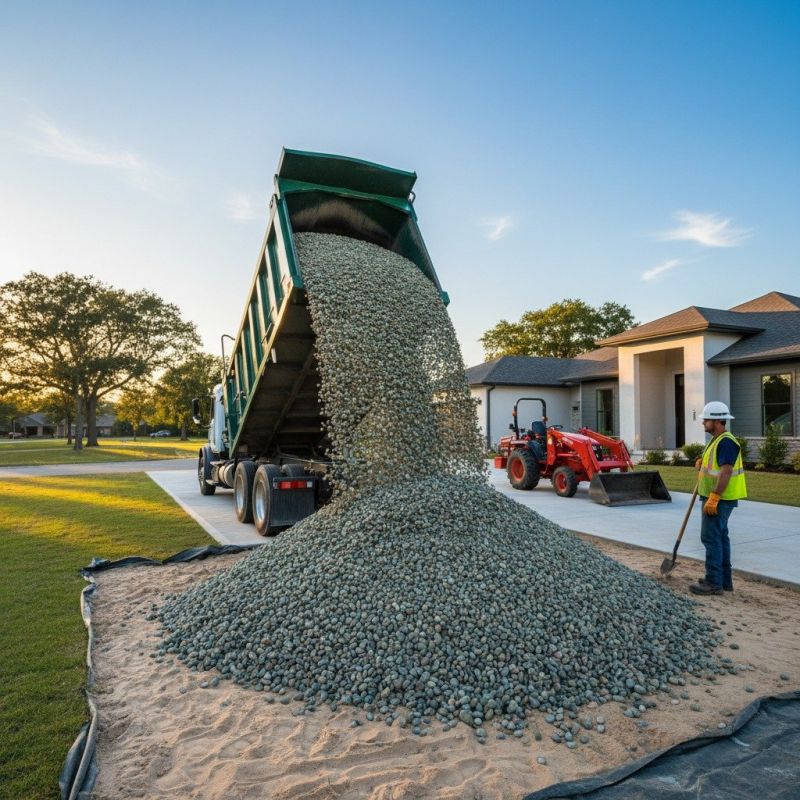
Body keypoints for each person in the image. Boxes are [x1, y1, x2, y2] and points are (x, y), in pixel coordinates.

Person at [689, 401, 747, 596]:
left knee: (710, 537)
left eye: (706, 420)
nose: (703, 423)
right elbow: (715, 465)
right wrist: (702, 462)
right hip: (716, 497)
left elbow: (727, 470)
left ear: (717, 420)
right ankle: (724, 581)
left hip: (720, 499)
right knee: (721, 537)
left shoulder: (726, 441)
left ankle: (713, 582)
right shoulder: (717, 440)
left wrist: (714, 497)